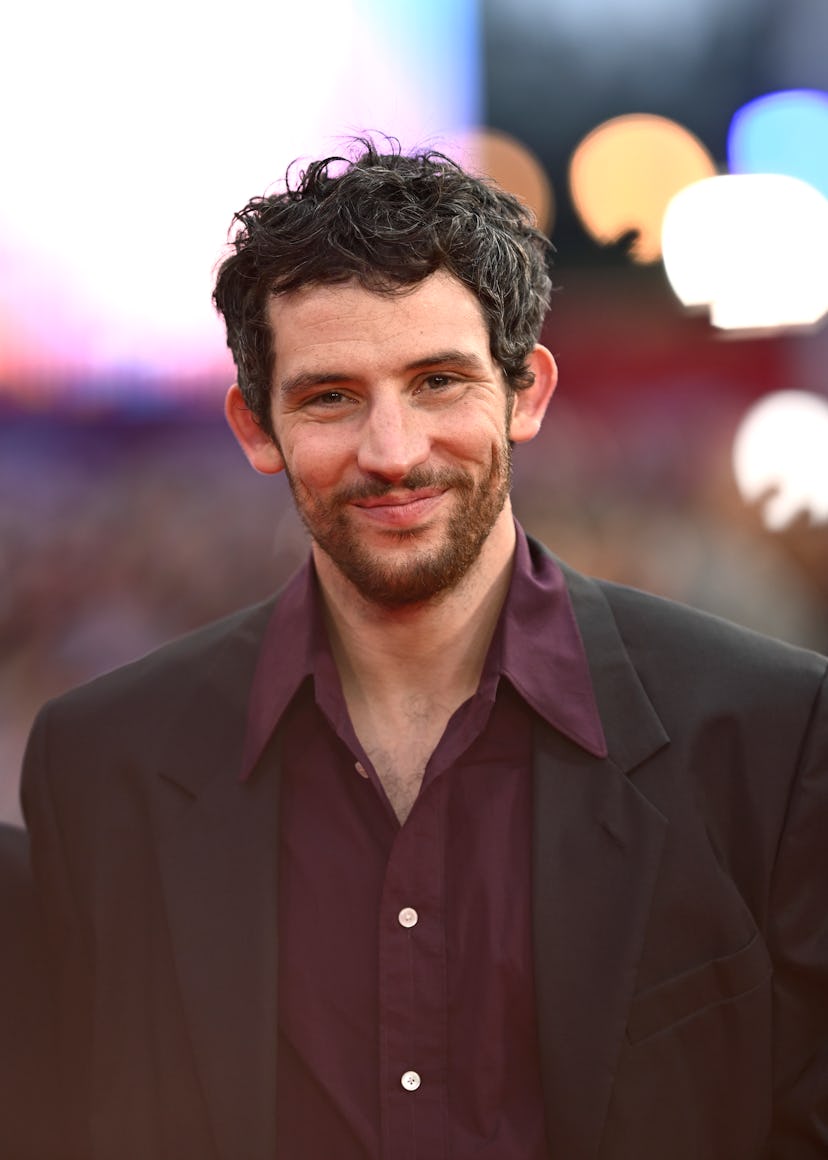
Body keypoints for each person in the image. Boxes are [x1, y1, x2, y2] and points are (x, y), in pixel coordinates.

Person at [21, 140, 827, 1160]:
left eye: (439, 380)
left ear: (525, 391)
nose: (393, 450)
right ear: (255, 425)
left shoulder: (771, 734)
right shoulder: (106, 764)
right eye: (330, 396)